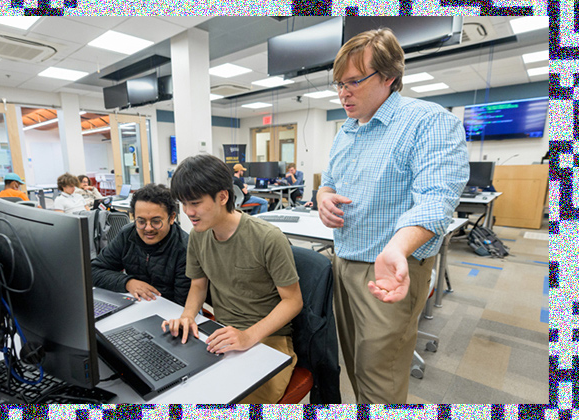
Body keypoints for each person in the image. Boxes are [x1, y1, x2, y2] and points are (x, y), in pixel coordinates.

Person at [316, 28, 469, 404]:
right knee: (353, 365)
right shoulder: (347, 130)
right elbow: (329, 182)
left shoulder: (428, 122)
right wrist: (322, 196)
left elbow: (436, 200)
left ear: (389, 77)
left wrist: (398, 249)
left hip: (388, 268)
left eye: (353, 81)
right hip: (345, 261)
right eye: (338, 83)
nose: (343, 93)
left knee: (380, 380)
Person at [163, 154, 303, 404]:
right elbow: (197, 286)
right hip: (220, 334)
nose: (189, 213)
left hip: (268, 340)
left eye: (195, 202)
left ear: (223, 196)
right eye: (184, 204)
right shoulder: (198, 236)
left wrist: (248, 336)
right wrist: (187, 316)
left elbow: (293, 301)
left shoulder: (267, 238)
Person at [91, 183, 191, 305]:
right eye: (141, 221)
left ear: (171, 218)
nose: (148, 228)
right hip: (137, 304)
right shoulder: (127, 235)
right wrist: (128, 282)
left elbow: (182, 305)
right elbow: (93, 271)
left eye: (156, 221)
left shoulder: (185, 248)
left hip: (168, 311)